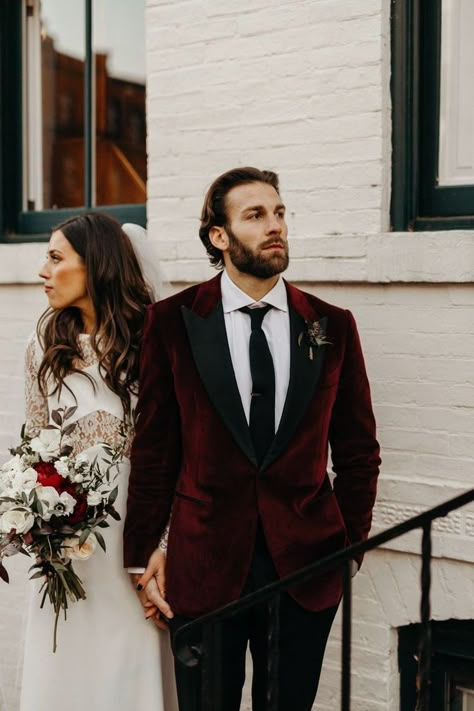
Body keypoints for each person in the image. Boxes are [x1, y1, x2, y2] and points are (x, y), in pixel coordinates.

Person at [124, 167, 381, 711]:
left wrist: (348, 549)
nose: (275, 226)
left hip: (306, 568)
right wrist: (143, 551)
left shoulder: (332, 325)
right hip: (202, 567)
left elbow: (359, 452)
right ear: (219, 236)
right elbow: (154, 449)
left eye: (280, 212)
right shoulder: (172, 322)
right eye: (256, 215)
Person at [20, 213, 178, 711]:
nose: (42, 269)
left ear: (95, 267)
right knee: (67, 659)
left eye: (55, 257)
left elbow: (177, 450)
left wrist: (165, 544)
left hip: (134, 538)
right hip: (67, 548)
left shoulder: (150, 342)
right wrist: (34, 514)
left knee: (130, 659)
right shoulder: (44, 344)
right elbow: (35, 439)